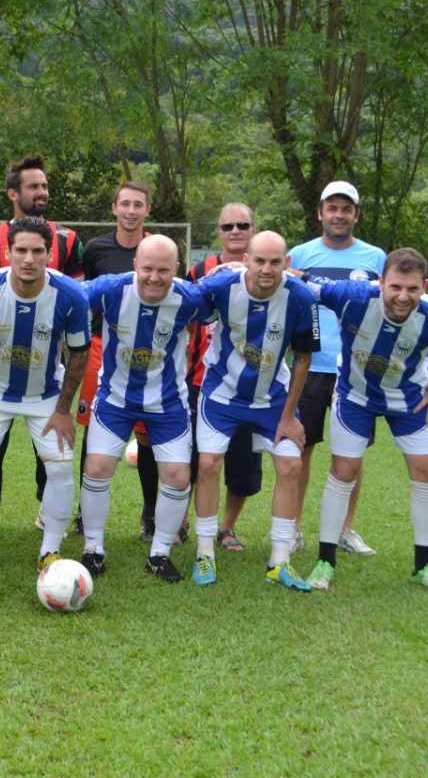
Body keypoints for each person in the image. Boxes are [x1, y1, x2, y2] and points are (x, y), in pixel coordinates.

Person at [294, 249, 428, 594]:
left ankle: (424, 566)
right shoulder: (352, 297)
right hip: (356, 395)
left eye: (411, 288)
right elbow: (300, 279)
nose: (402, 296)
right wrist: (246, 266)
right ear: (381, 282)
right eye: (395, 287)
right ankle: (325, 561)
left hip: (409, 399)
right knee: (343, 470)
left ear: (424, 285)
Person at [0, 216, 91, 581]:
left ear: (49, 255)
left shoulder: (72, 296)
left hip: (46, 393)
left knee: (59, 467)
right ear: (8, 253)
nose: (29, 258)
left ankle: (50, 551)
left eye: (37, 251)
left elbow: (78, 356)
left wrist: (63, 411)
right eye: (22, 250)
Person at [193, 231, 320, 591]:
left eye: (275, 262)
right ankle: (205, 552)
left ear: (287, 264)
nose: (266, 269)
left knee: (292, 464)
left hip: (273, 400)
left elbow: (303, 358)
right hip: (221, 394)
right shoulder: (222, 287)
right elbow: (187, 303)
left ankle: (280, 560)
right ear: (245, 258)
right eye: (260, 260)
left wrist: (288, 416)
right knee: (207, 465)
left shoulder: (300, 297)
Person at [79, 235, 211, 581]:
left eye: (163, 270)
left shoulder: (190, 297)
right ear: (135, 265)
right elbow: (66, 294)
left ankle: (160, 553)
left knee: (179, 477)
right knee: (96, 467)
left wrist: (236, 269)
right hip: (115, 399)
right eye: (147, 268)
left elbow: (226, 297)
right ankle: (93, 549)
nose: (154, 277)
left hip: (166, 402)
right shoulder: (110, 289)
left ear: (176, 270)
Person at [0, 155, 84, 531]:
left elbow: (77, 298)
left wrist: (70, 361)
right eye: (34, 186)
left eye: (45, 185)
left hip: (47, 357)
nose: (42, 192)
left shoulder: (67, 239)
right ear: (13, 193)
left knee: (51, 440)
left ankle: (46, 508)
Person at [289, 181, 386, 555]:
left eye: (347, 209)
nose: (339, 215)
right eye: (332, 208)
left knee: (352, 453)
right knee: (301, 449)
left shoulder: (376, 258)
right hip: (311, 364)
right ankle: (294, 528)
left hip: (357, 370)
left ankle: (346, 530)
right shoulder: (299, 255)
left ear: (356, 215)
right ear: (320, 213)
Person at [76, 181, 162, 544]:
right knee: (94, 431)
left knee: (147, 436)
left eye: (137, 205)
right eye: (124, 204)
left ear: (146, 210)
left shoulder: (158, 249)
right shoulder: (96, 248)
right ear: (114, 208)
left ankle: (151, 515)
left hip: (147, 353)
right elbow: (82, 298)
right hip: (102, 348)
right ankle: (84, 513)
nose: (130, 210)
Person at [183, 203, 266, 553]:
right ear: (218, 231)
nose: (235, 231)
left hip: (250, 385)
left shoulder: (269, 269)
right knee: (191, 459)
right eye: (227, 225)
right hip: (202, 379)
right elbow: (185, 317)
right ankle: (181, 521)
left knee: (242, 465)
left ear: (253, 228)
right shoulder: (199, 270)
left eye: (242, 225)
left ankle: (227, 527)